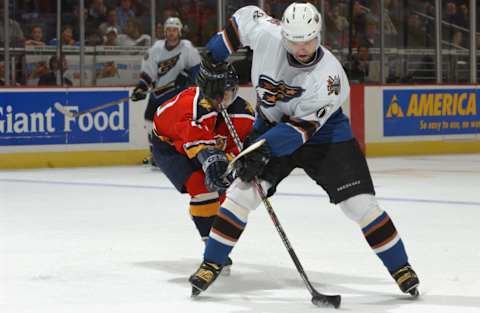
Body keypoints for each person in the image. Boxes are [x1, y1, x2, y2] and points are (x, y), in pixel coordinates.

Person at [189, 2, 420, 298]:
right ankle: (211, 263)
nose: (302, 48)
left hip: (325, 137)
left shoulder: (330, 78)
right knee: (240, 195)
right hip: (271, 126)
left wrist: (261, 150)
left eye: (309, 40)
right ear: (283, 34)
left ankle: (401, 267)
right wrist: (214, 56)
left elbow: (301, 131)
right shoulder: (267, 34)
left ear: (319, 35)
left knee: (360, 205)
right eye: (295, 41)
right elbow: (241, 21)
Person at [151, 60, 255, 273]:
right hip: (172, 148)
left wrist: (246, 162)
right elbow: (196, 140)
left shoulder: (244, 112)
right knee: (202, 188)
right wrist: (212, 160)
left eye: (229, 93)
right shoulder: (188, 107)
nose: (224, 100)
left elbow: (245, 146)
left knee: (228, 194)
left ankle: (207, 221)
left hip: (205, 148)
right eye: (218, 94)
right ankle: (211, 244)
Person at [131, 17, 201, 166]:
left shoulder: (187, 48)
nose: (171, 33)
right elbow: (148, 72)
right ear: (165, 31)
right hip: (158, 93)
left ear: (179, 32)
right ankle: (155, 154)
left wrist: (187, 76)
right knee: (149, 119)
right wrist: (141, 87)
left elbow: (197, 68)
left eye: (174, 30)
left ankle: (179, 154)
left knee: (175, 125)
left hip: (179, 95)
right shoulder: (156, 48)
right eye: (169, 30)